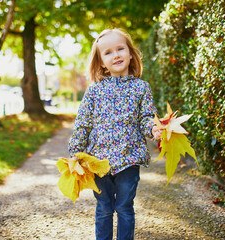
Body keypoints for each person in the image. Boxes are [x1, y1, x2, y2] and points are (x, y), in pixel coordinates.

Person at [68, 28, 163, 240]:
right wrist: (76, 150)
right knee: (104, 207)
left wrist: (153, 129)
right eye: (108, 52)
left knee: (125, 207)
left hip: (129, 158)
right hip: (98, 161)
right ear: (101, 61)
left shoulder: (141, 88)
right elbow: (83, 123)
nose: (116, 55)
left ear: (130, 54)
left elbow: (145, 117)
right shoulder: (94, 90)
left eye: (121, 49)